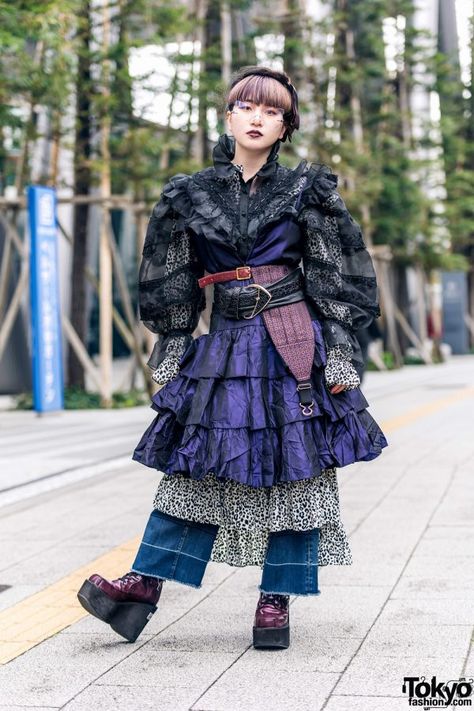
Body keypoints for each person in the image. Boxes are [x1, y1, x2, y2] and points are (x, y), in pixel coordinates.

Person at [77, 65, 388, 650]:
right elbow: (172, 274)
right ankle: (142, 585)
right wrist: (172, 340)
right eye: (248, 106)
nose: (257, 118)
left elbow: (334, 270)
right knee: (194, 463)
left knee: (298, 466)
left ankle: (276, 602)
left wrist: (340, 348)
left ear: (284, 128)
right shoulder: (189, 194)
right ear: (228, 114)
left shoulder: (305, 190)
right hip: (223, 343)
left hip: (292, 339)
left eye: (272, 112)